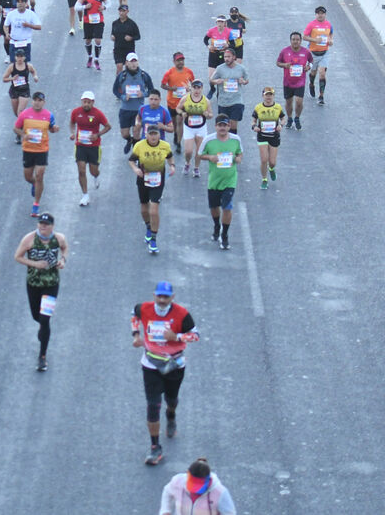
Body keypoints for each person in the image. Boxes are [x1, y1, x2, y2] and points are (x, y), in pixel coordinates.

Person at [131, 281, 198, 465]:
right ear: (154, 296)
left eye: (165, 297)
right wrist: (136, 335)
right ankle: (155, 447)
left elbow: (195, 335)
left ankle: (171, 414)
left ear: (172, 298)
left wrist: (176, 337)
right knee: (153, 404)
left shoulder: (182, 314)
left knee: (171, 399)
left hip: (174, 364)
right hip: (151, 363)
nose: (162, 300)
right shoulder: (143, 308)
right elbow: (134, 315)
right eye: (159, 296)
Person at [12, 214, 68, 372]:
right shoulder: (29, 240)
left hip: (51, 283)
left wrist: (63, 260)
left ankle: (42, 355)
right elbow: (17, 257)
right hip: (33, 283)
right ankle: (43, 331)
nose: (42, 227)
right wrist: (34, 264)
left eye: (45, 224)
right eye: (40, 224)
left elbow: (65, 248)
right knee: (36, 316)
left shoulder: (59, 238)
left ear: (52, 226)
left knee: (45, 319)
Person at [129, 127, 175, 254]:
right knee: (144, 208)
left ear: (159, 135)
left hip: (158, 180)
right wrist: (135, 169)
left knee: (154, 210)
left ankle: (154, 239)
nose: (153, 137)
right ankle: (148, 226)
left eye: (156, 134)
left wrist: (172, 166)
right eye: (151, 134)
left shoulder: (165, 146)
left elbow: (170, 157)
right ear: (147, 135)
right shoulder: (139, 146)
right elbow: (131, 160)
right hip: (143, 179)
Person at [199, 118, 243, 248]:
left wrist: (238, 159)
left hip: (230, 180)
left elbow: (240, 154)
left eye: (225, 125)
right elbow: (200, 155)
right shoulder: (208, 140)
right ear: (215, 126)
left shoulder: (236, 139)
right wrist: (210, 157)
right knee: (214, 207)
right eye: (220, 125)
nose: (222, 128)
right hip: (214, 181)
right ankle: (217, 226)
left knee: (227, 207)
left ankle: (225, 235)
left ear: (229, 126)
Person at [14, 91, 58, 218]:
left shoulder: (49, 115)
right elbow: (16, 128)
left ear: (44, 102)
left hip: (42, 150)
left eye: (40, 100)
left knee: (39, 175)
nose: (37, 103)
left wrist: (54, 129)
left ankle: (36, 205)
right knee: (28, 177)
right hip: (28, 150)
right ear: (32, 101)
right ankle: (34, 184)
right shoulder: (24, 114)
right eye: (35, 100)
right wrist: (24, 135)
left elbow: (51, 128)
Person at [70, 90, 111, 207]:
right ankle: (85, 195)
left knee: (93, 170)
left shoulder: (98, 114)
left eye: (88, 102)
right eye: (84, 102)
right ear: (81, 102)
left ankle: (96, 176)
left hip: (93, 147)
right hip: (80, 146)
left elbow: (108, 126)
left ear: (93, 102)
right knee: (81, 170)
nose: (86, 104)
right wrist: (73, 133)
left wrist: (97, 135)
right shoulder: (76, 112)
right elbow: (72, 123)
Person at [159, 458, 236, 515]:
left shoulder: (220, 493)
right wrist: (165, 510)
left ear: (208, 480)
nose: (194, 491)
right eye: (192, 484)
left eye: (199, 486)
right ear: (187, 474)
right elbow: (167, 491)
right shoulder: (178, 482)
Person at [113, 52, 155, 153]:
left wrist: (143, 94)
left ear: (138, 62)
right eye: (131, 62)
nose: (133, 64)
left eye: (135, 61)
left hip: (138, 110)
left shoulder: (144, 75)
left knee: (137, 132)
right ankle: (129, 140)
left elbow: (151, 90)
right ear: (126, 63)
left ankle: (136, 154)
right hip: (125, 110)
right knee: (124, 133)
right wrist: (122, 96)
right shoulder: (121, 76)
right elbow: (115, 90)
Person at [276, 32, 314, 130]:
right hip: (287, 82)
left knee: (298, 102)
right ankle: (289, 118)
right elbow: (278, 63)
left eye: (297, 40)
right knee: (288, 102)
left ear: (300, 41)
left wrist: (308, 67)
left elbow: (311, 61)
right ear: (290, 40)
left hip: (300, 82)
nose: (295, 41)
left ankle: (297, 118)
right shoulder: (285, 51)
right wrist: (285, 65)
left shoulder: (306, 52)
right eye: (293, 39)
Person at [251, 87, 286, 189]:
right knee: (264, 159)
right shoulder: (258, 107)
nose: (268, 97)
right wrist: (254, 127)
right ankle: (264, 179)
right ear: (263, 96)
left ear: (273, 96)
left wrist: (281, 125)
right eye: (266, 95)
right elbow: (253, 120)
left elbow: (283, 119)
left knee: (272, 162)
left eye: (270, 95)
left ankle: (271, 169)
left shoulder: (278, 107)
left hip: (274, 136)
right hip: (262, 136)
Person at [178, 81, 211, 175]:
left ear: (202, 89)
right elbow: (178, 108)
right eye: (194, 88)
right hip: (189, 127)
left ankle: (196, 168)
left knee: (199, 151)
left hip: (201, 128)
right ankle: (187, 163)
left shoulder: (206, 101)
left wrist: (207, 114)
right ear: (191, 88)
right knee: (188, 151)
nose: (196, 90)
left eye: (199, 88)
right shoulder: (185, 99)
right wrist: (182, 113)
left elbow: (211, 115)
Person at [305, 6, 334, 105]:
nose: (320, 15)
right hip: (313, 53)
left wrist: (330, 41)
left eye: (322, 13)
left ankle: (321, 96)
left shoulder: (328, 24)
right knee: (313, 73)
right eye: (318, 13)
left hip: (324, 53)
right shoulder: (311, 25)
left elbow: (331, 34)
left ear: (325, 14)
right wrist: (314, 40)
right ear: (315, 14)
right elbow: (304, 36)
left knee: (322, 73)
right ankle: (311, 84)